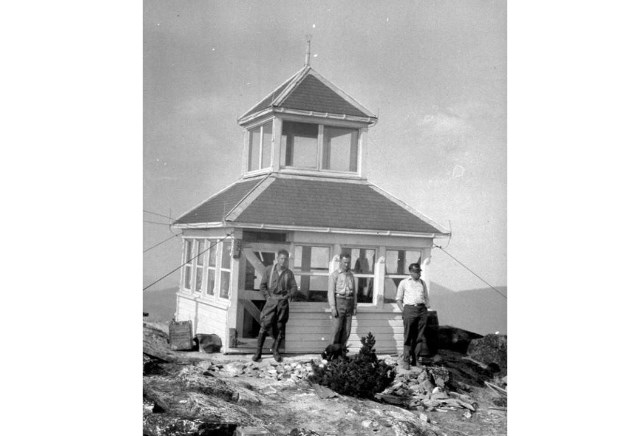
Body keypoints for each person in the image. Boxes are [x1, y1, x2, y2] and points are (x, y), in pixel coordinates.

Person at [253, 249, 298, 362]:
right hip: (271, 301)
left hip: (282, 302)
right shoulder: (269, 270)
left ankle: (275, 351)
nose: (283, 261)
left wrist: (289, 295)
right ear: (277, 259)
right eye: (281, 258)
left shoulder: (289, 273)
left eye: (285, 259)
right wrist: (268, 297)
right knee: (264, 325)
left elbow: (294, 287)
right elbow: (262, 286)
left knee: (280, 327)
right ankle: (258, 352)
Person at [395, 262, 430, 370]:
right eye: (416, 272)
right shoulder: (404, 283)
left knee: (419, 336)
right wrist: (404, 311)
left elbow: (426, 297)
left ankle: (416, 360)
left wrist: (426, 308)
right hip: (409, 309)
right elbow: (398, 299)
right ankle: (406, 361)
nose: (418, 274)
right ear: (410, 272)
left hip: (421, 310)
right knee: (408, 336)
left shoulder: (422, 283)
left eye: (419, 271)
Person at [328, 252, 357, 351]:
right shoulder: (335, 275)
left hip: (349, 302)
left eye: (348, 262)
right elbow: (331, 292)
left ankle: (341, 352)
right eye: (344, 262)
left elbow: (354, 293)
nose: (346, 265)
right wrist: (333, 307)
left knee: (347, 330)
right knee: (336, 330)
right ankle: (332, 354)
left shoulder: (351, 276)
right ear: (340, 261)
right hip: (339, 302)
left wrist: (355, 306)